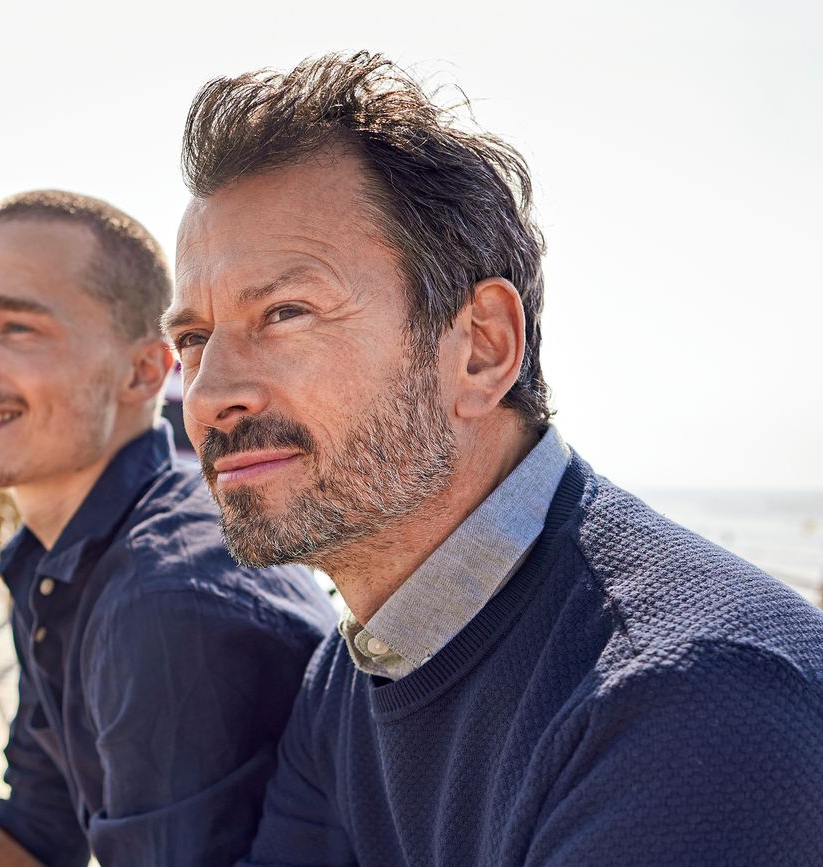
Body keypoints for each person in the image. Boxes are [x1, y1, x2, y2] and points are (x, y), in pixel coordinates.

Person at [165, 52, 823, 866]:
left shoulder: (695, 701)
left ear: (481, 347)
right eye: (193, 340)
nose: (206, 395)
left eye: (286, 312)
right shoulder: (357, 666)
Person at [0, 190, 335, 867]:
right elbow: (37, 828)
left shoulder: (165, 603)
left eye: (16, 328)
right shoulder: (58, 557)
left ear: (143, 372)